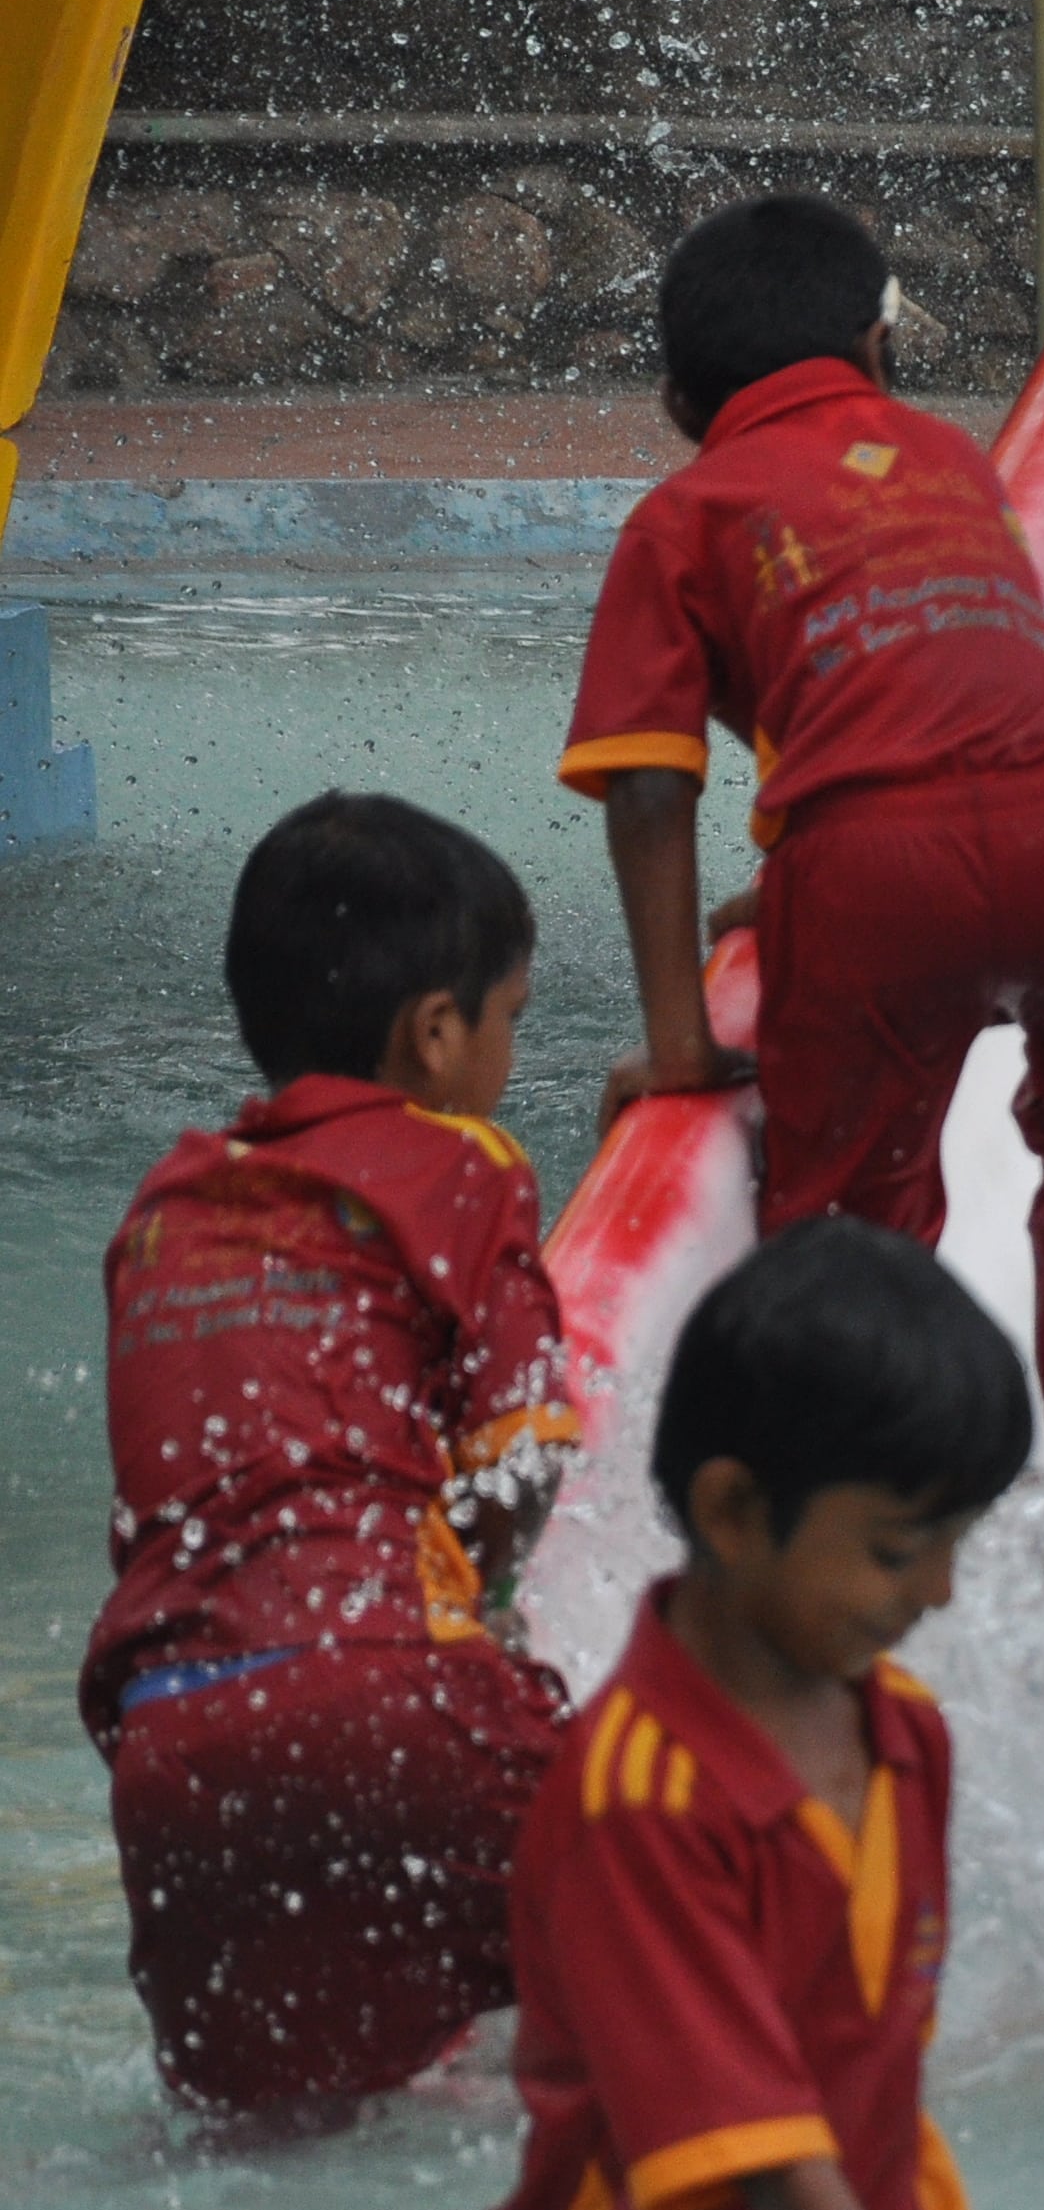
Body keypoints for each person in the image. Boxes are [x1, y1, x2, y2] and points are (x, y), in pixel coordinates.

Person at [561, 190, 1044, 1459]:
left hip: (871, 886)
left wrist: (680, 1038)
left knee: (849, 1220)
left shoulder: (685, 514)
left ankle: (873, 1474)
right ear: (876, 344)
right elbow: (920, 681)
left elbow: (648, 784)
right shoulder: (950, 460)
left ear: (680, 403)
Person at [458, 1217, 1044, 2210]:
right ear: (735, 1510)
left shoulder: (905, 1736)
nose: (941, 1593)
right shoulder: (640, 1798)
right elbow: (769, 2158)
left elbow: (871, 2080)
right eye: (899, 1549)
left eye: (957, 1544)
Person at [84, 792, 578, 2116]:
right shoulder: (458, 1161)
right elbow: (523, 1453)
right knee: (678, 1944)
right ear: (436, 1033)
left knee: (264, 2136)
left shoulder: (165, 1208)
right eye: (514, 1017)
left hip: (172, 1744)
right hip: (395, 1689)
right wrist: (488, 1627)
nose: (511, 1053)